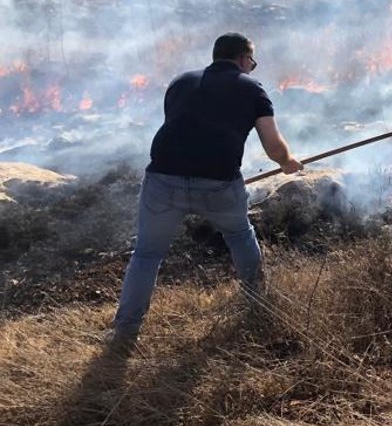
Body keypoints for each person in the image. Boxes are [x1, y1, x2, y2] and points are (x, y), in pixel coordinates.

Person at [109, 33, 303, 349]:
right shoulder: (251, 87)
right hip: (219, 183)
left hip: (163, 178)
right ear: (243, 59)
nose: (252, 68)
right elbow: (272, 143)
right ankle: (259, 307)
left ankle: (125, 332)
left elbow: (181, 127)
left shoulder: (180, 81)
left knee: (146, 254)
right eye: (251, 62)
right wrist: (288, 162)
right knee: (240, 235)